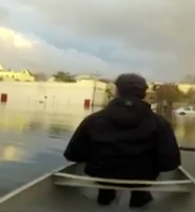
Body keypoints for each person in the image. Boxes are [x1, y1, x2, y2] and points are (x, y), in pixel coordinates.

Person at [64, 73, 181, 208]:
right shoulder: (160, 123)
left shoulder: (92, 120)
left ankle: (105, 196)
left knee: (105, 176)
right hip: (142, 179)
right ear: (143, 94)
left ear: (116, 91)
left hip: (100, 176)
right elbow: (170, 164)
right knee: (141, 176)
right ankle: (139, 199)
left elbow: (72, 155)